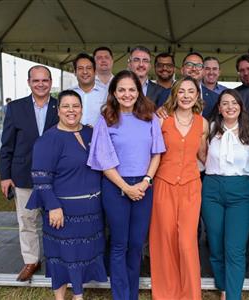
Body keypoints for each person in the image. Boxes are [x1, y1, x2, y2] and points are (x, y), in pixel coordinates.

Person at [87, 70, 165, 300]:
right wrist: (126, 187)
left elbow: (157, 154)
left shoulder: (150, 117)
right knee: (119, 244)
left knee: (136, 244)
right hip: (115, 187)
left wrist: (146, 181)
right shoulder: (106, 119)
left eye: (132, 89)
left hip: (143, 187)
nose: (127, 94)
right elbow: (103, 160)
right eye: (121, 89)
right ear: (113, 93)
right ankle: (121, 296)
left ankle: (132, 294)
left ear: (139, 92)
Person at [26, 90, 107, 300]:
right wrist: (53, 206)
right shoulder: (48, 140)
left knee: (82, 255)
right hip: (63, 212)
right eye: (66, 106)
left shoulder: (91, 133)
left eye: (76, 106)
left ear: (82, 109)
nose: (71, 110)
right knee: (63, 257)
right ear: (58, 110)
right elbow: (41, 178)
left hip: (91, 213)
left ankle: (78, 295)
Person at [149, 76, 208, 300]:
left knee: (186, 241)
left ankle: (190, 294)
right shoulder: (162, 120)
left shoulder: (202, 123)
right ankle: (166, 294)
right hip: (164, 184)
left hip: (191, 187)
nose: (185, 95)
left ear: (197, 96)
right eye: (181, 91)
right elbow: (152, 152)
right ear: (175, 95)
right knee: (164, 239)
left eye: (190, 91)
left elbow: (203, 155)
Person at [0, 65, 59, 281]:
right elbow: (6, 145)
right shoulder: (15, 108)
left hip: (55, 177)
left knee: (55, 220)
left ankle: (56, 260)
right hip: (23, 175)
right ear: (29, 83)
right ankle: (31, 260)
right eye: (36, 81)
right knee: (27, 221)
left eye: (45, 80)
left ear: (51, 82)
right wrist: (5, 175)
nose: (41, 84)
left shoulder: (61, 106)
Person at [202, 89, 249, 300]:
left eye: (234, 103)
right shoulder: (209, 129)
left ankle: (233, 296)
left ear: (241, 107)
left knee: (234, 248)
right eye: (225, 103)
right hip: (212, 189)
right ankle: (224, 287)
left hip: (240, 192)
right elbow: (201, 156)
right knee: (216, 245)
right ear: (219, 108)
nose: (230, 107)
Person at [72, 53, 107, 127]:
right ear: (75, 72)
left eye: (89, 68)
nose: (85, 72)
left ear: (95, 72)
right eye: (80, 68)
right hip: (72, 136)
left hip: (99, 137)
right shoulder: (69, 94)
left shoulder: (106, 93)